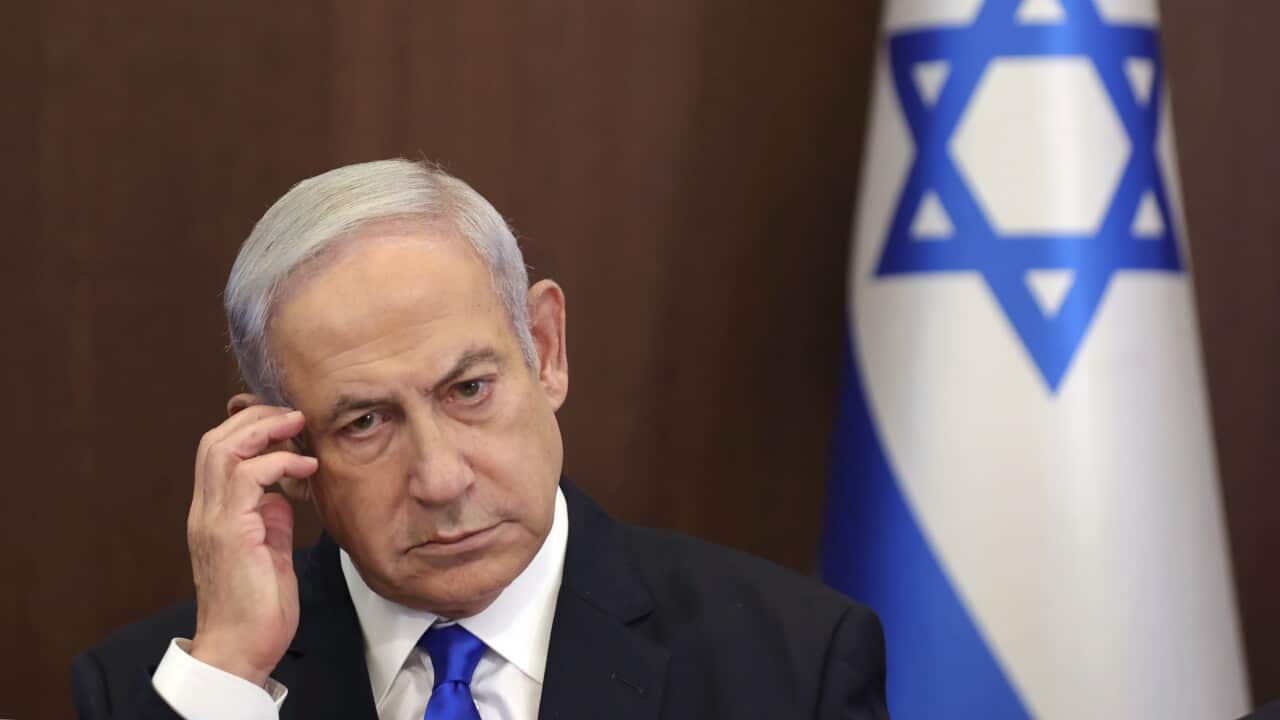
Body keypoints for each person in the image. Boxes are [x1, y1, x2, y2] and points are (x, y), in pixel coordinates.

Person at [71, 159, 888, 719]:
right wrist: (230, 676)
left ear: (547, 349)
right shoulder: (167, 688)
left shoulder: (791, 661)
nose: (440, 477)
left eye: (468, 389)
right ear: (280, 453)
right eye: (365, 422)